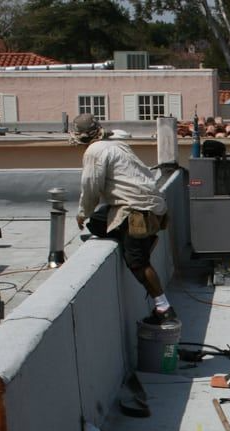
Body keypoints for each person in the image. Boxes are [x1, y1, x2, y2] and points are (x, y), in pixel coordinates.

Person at [72, 113, 176, 324]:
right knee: (98, 222)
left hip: (137, 212)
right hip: (153, 207)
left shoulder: (94, 151)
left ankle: (163, 307)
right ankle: (139, 239)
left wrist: (82, 213)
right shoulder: (116, 143)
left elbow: (91, 187)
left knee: (137, 262)